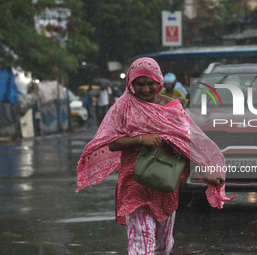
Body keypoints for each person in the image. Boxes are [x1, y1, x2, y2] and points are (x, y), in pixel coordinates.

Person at [76, 57, 236, 254]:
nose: (145, 89)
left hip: (165, 184)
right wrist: (141, 139)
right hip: (134, 183)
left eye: (150, 83)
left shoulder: (173, 108)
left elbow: (185, 146)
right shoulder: (122, 106)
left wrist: (206, 176)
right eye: (139, 84)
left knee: (163, 245)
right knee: (141, 242)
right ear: (131, 83)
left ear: (159, 82)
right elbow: (111, 143)